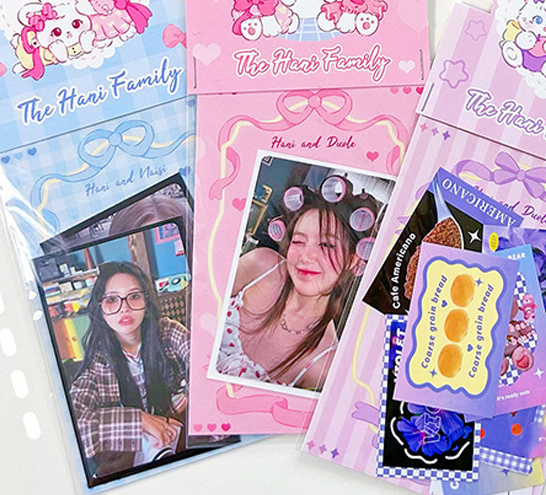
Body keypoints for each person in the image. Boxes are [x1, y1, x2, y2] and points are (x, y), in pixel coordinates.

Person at [217, 176, 377, 391]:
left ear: (353, 259)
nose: (306, 256)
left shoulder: (324, 364)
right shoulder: (260, 266)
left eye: (327, 245)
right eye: (298, 241)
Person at [70, 261, 188, 479]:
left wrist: (184, 398)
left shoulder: (169, 332)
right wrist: (139, 420)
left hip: (181, 447)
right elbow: (73, 427)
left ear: (146, 301)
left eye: (134, 296)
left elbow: (206, 364)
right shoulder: (97, 362)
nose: (124, 308)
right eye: (112, 300)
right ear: (100, 309)